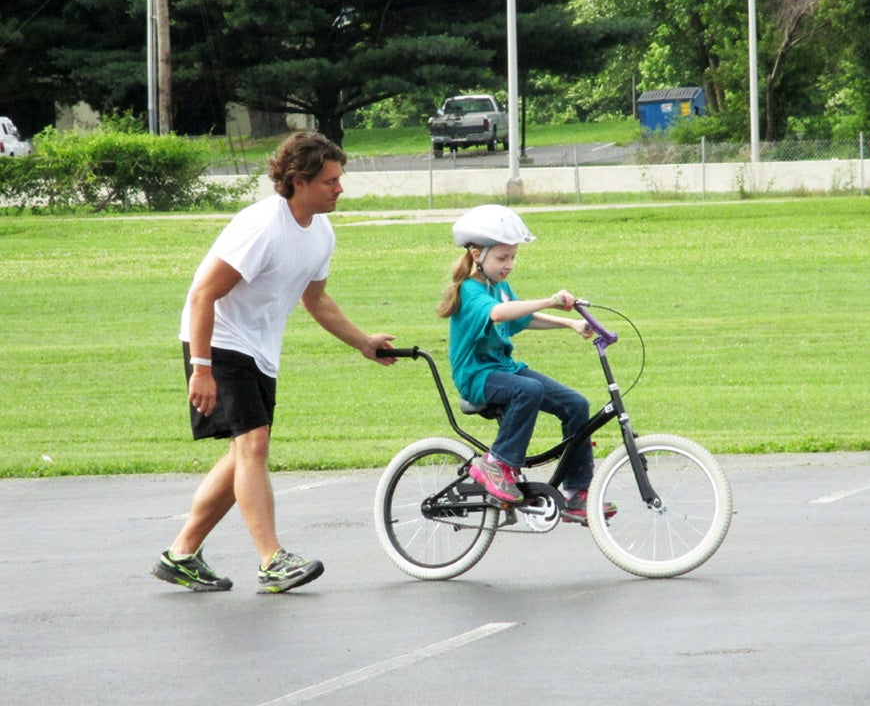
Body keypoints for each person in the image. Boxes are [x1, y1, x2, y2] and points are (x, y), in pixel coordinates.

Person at [151, 131, 396, 594]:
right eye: (330, 181)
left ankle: (181, 554)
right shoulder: (261, 227)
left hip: (259, 349)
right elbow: (204, 294)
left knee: (243, 452)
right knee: (254, 445)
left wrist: (363, 342)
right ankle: (271, 560)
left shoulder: (321, 231)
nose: (339, 189)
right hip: (220, 341)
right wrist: (200, 368)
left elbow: (316, 300)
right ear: (298, 181)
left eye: (339, 179)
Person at [436, 204, 615, 524]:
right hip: (476, 375)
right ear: (477, 254)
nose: (509, 265)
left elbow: (522, 317)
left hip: (503, 369)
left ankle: (577, 493)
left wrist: (569, 324)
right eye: (502, 258)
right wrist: (550, 300)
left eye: (513, 257)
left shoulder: (499, 287)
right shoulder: (470, 290)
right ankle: (495, 463)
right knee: (527, 390)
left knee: (576, 404)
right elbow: (499, 314)